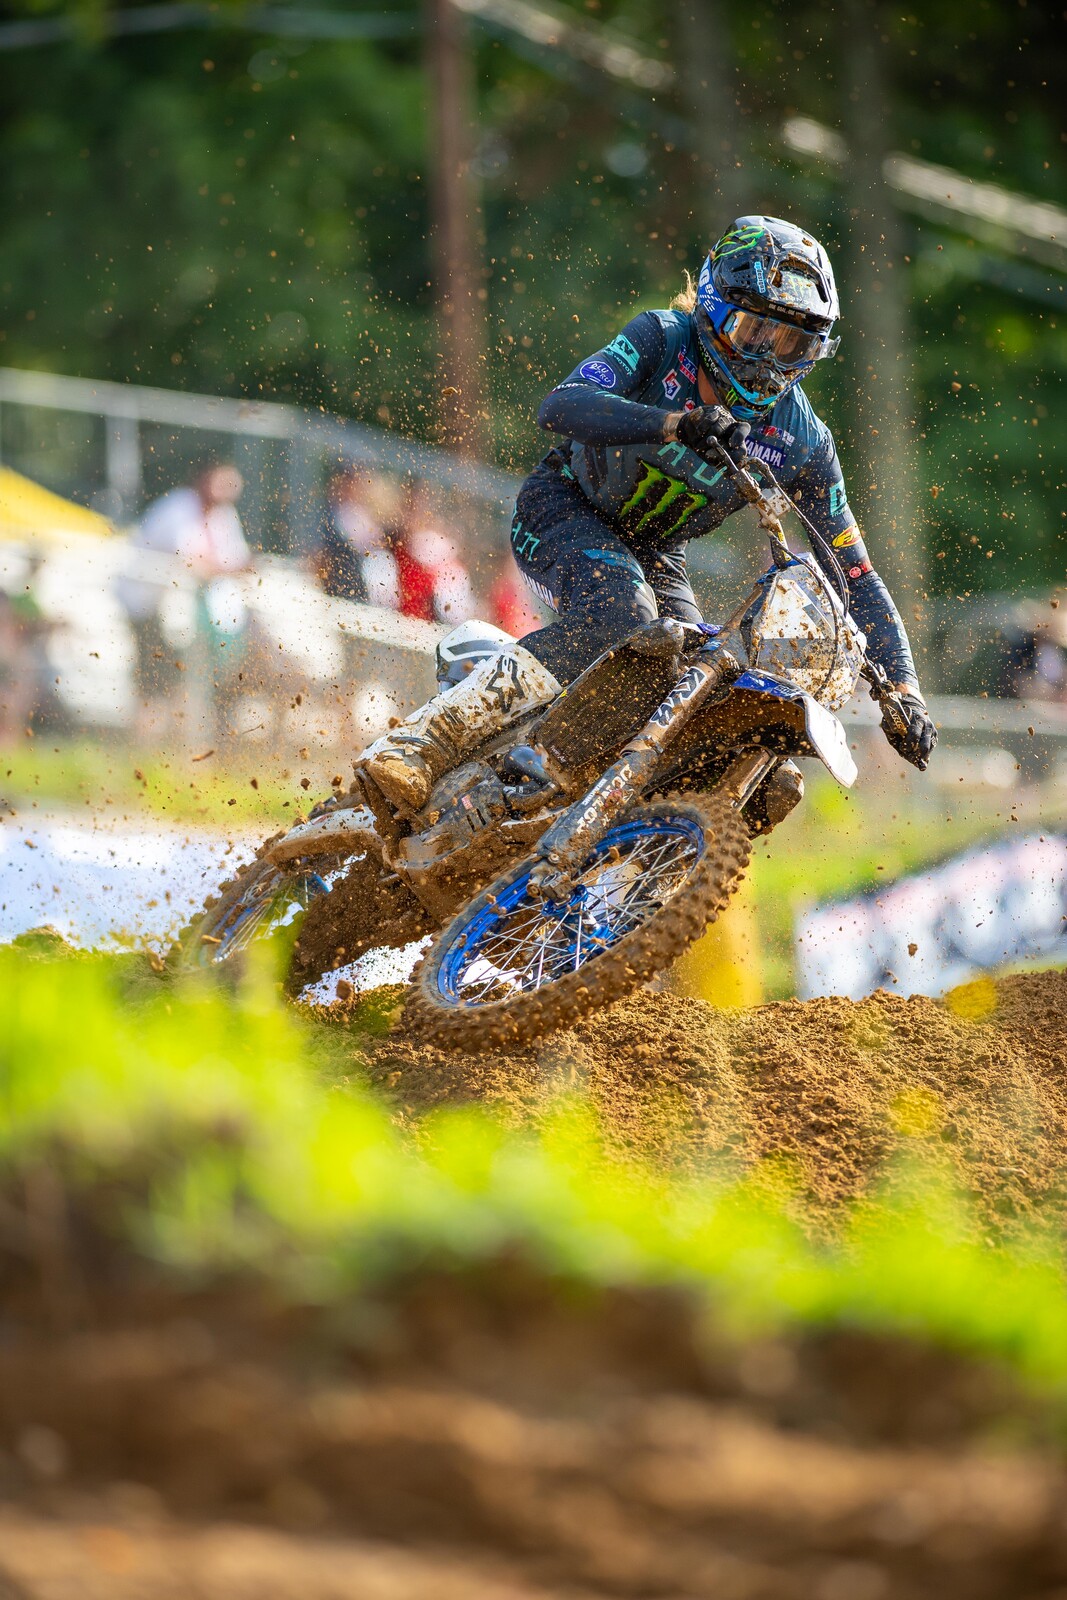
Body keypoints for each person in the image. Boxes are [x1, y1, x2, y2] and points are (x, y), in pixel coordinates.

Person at [358, 215, 937, 812]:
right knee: (623, 618)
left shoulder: (803, 440)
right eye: (755, 331)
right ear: (714, 307)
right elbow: (559, 406)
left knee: (693, 681)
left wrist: (905, 689)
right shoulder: (661, 338)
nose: (769, 359)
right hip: (564, 505)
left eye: (792, 343)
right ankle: (421, 743)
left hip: (658, 553)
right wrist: (673, 424)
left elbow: (857, 574)